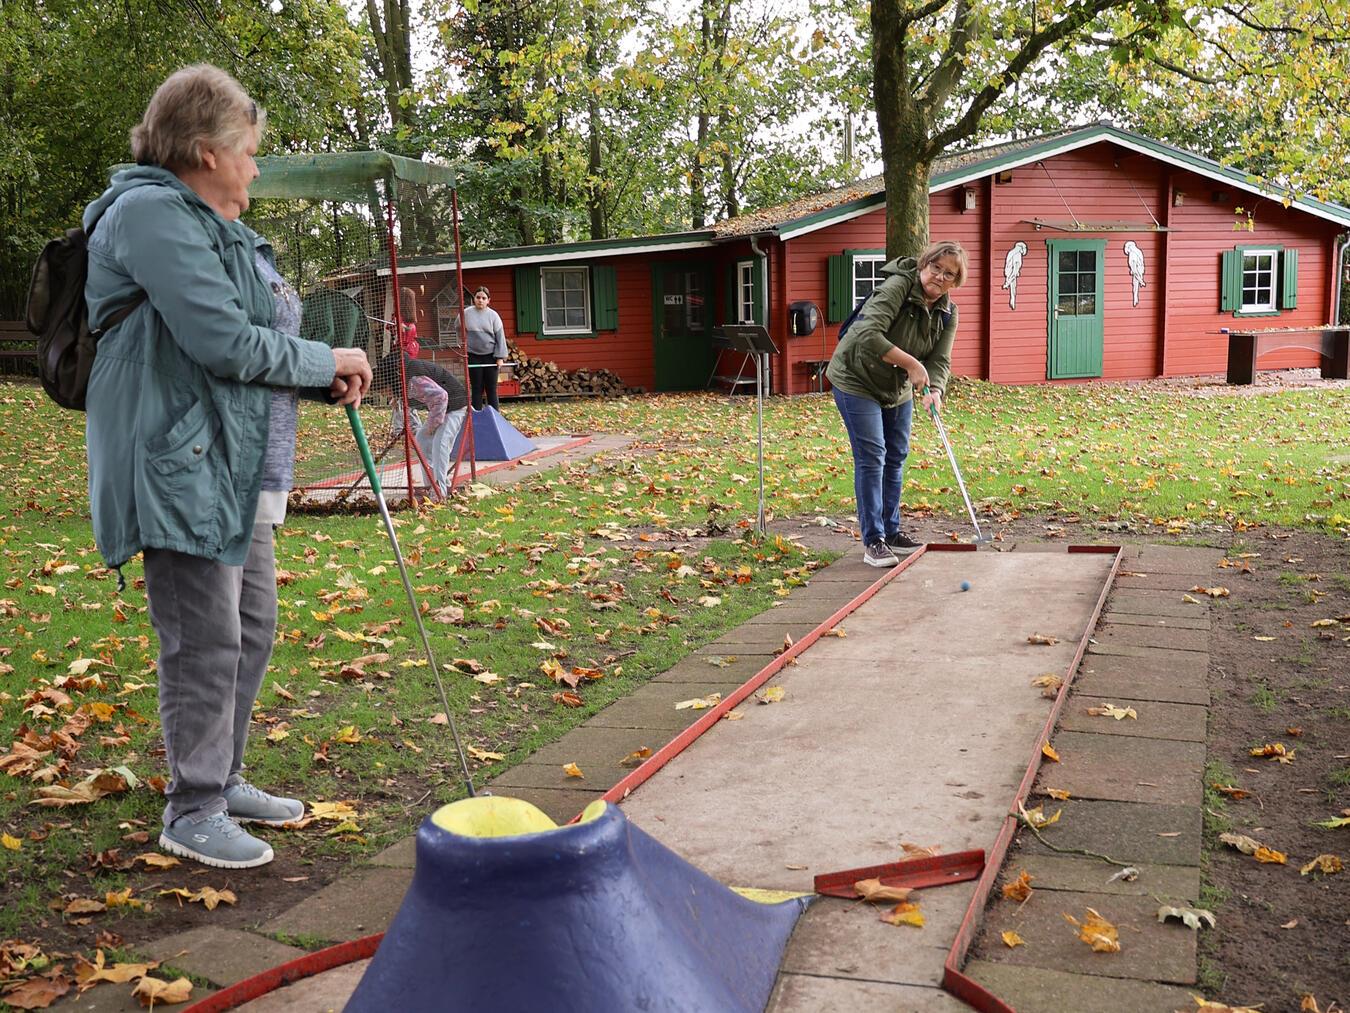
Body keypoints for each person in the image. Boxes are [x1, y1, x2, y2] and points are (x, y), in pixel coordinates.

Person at [82, 64, 372, 869]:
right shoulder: (148, 215)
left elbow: (250, 349)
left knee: (249, 627)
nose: (254, 167)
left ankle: (223, 775)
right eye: (247, 151)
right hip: (182, 464)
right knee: (203, 639)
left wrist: (323, 377)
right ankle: (193, 804)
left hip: (235, 463)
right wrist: (326, 358)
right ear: (206, 150)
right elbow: (222, 343)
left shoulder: (219, 227)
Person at [825, 240, 966, 568]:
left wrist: (937, 390)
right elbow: (867, 333)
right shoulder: (897, 286)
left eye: (949, 274)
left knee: (897, 455)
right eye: (936, 268)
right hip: (855, 377)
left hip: (895, 388)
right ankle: (873, 540)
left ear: (956, 282)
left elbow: (940, 360)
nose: (940, 277)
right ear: (923, 265)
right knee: (872, 455)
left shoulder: (948, 312)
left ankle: (892, 530)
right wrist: (912, 365)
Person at [463, 286, 507, 411]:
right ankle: (476, 417)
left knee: (491, 388)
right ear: (474, 299)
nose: (480, 300)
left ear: (488, 300)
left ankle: (495, 417)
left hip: (491, 356)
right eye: (478, 297)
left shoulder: (493, 316)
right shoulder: (466, 313)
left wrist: (500, 357)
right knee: (476, 388)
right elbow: (458, 327)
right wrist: (463, 343)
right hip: (473, 356)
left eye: (483, 298)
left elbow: (500, 337)